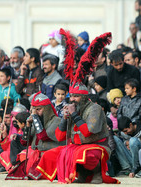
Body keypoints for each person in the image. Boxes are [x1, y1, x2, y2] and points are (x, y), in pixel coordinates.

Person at [36, 30, 119, 184]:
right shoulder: (73, 108)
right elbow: (60, 137)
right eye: (71, 96)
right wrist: (64, 119)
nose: (72, 99)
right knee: (52, 154)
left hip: (97, 147)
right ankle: (80, 174)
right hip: (78, 146)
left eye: (76, 96)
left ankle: (96, 174)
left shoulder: (94, 108)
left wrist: (74, 115)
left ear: (85, 97)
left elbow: (88, 132)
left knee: (79, 153)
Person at [6, 92, 65, 179]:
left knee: (32, 174)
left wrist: (35, 118)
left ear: (47, 109)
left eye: (38, 109)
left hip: (50, 157)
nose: (36, 112)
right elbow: (24, 142)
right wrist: (28, 126)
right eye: (34, 109)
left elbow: (43, 137)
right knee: (16, 172)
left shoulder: (56, 121)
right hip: (36, 157)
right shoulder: (36, 121)